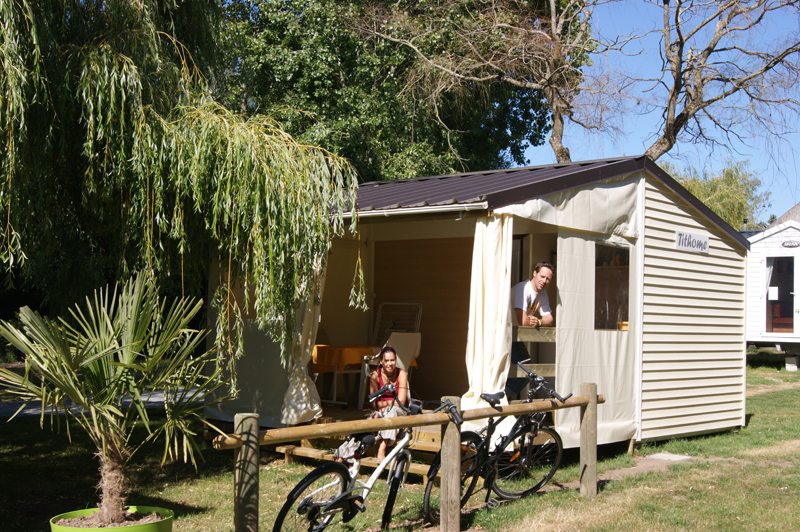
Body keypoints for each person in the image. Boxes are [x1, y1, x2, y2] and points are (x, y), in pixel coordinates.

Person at [334, 346, 409, 463]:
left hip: (399, 412)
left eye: (392, 360)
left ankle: (382, 448)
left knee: (392, 411)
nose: (390, 363)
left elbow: (401, 402)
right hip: (381, 412)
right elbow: (374, 403)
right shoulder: (375, 375)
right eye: (387, 361)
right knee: (364, 428)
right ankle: (340, 458)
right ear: (381, 362)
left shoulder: (402, 374)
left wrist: (384, 407)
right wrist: (384, 408)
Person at [512, 261, 555, 327]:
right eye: (542, 276)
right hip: (507, 332)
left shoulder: (543, 292)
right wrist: (533, 322)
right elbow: (523, 321)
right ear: (534, 273)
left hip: (521, 332)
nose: (544, 281)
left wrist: (539, 322)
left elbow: (550, 320)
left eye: (548, 279)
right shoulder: (522, 288)